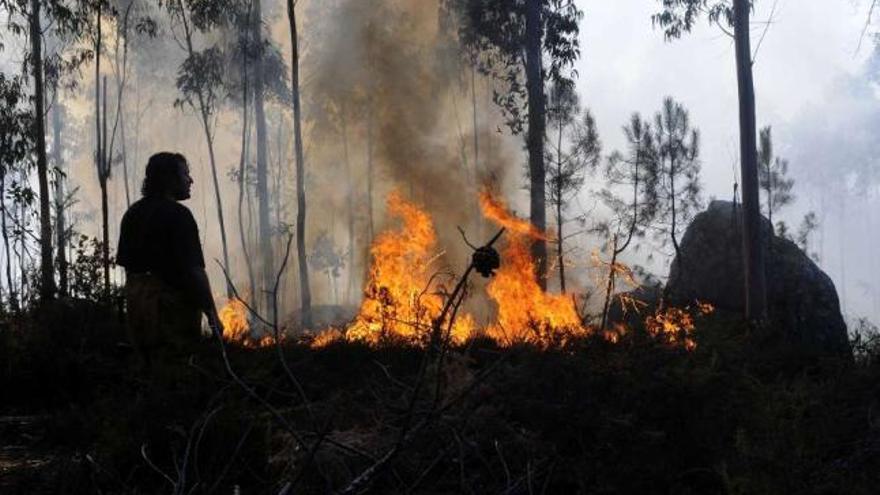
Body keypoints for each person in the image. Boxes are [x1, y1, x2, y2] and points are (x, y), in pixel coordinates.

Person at [117, 152, 222, 367]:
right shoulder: (179, 215)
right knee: (178, 376)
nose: (190, 180)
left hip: (138, 315)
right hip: (171, 319)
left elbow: (129, 270)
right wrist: (212, 316)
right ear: (169, 179)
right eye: (185, 174)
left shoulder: (132, 215)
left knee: (149, 375)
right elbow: (194, 272)